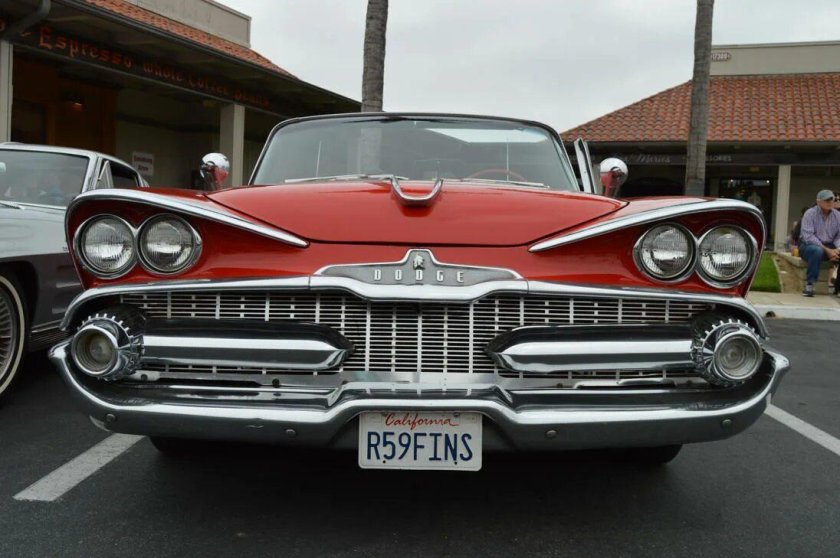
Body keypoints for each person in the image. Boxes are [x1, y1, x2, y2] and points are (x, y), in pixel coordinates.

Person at [799, 189, 840, 297]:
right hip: (808, 246)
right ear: (818, 202)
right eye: (826, 200)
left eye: (832, 199)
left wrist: (837, 249)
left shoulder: (837, 215)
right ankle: (809, 285)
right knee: (817, 251)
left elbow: (838, 236)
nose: (830, 202)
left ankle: (838, 287)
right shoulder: (810, 213)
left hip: (830, 246)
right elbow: (809, 237)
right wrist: (828, 251)